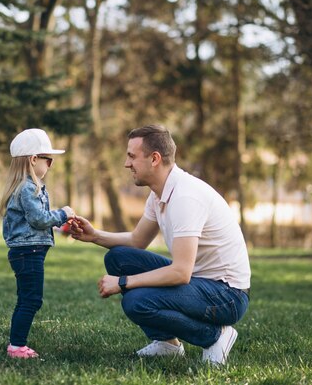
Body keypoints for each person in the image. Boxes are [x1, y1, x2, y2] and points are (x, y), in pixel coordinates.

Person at [72, 125, 251, 365]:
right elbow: (137, 241)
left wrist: (123, 283)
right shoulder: (159, 193)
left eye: (132, 156)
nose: (127, 164)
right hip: (200, 281)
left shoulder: (185, 197)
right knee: (118, 258)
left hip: (228, 295)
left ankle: (215, 336)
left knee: (136, 301)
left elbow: (181, 272)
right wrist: (94, 235)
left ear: (154, 158)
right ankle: (167, 344)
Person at [0, 128, 76, 359]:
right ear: (34, 160)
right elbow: (38, 218)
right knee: (31, 299)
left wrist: (61, 226)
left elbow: (35, 222)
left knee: (27, 298)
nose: (50, 165)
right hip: (28, 252)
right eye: (48, 160)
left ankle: (16, 343)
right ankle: (17, 346)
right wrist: (63, 213)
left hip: (27, 251)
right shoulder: (28, 188)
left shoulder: (26, 187)